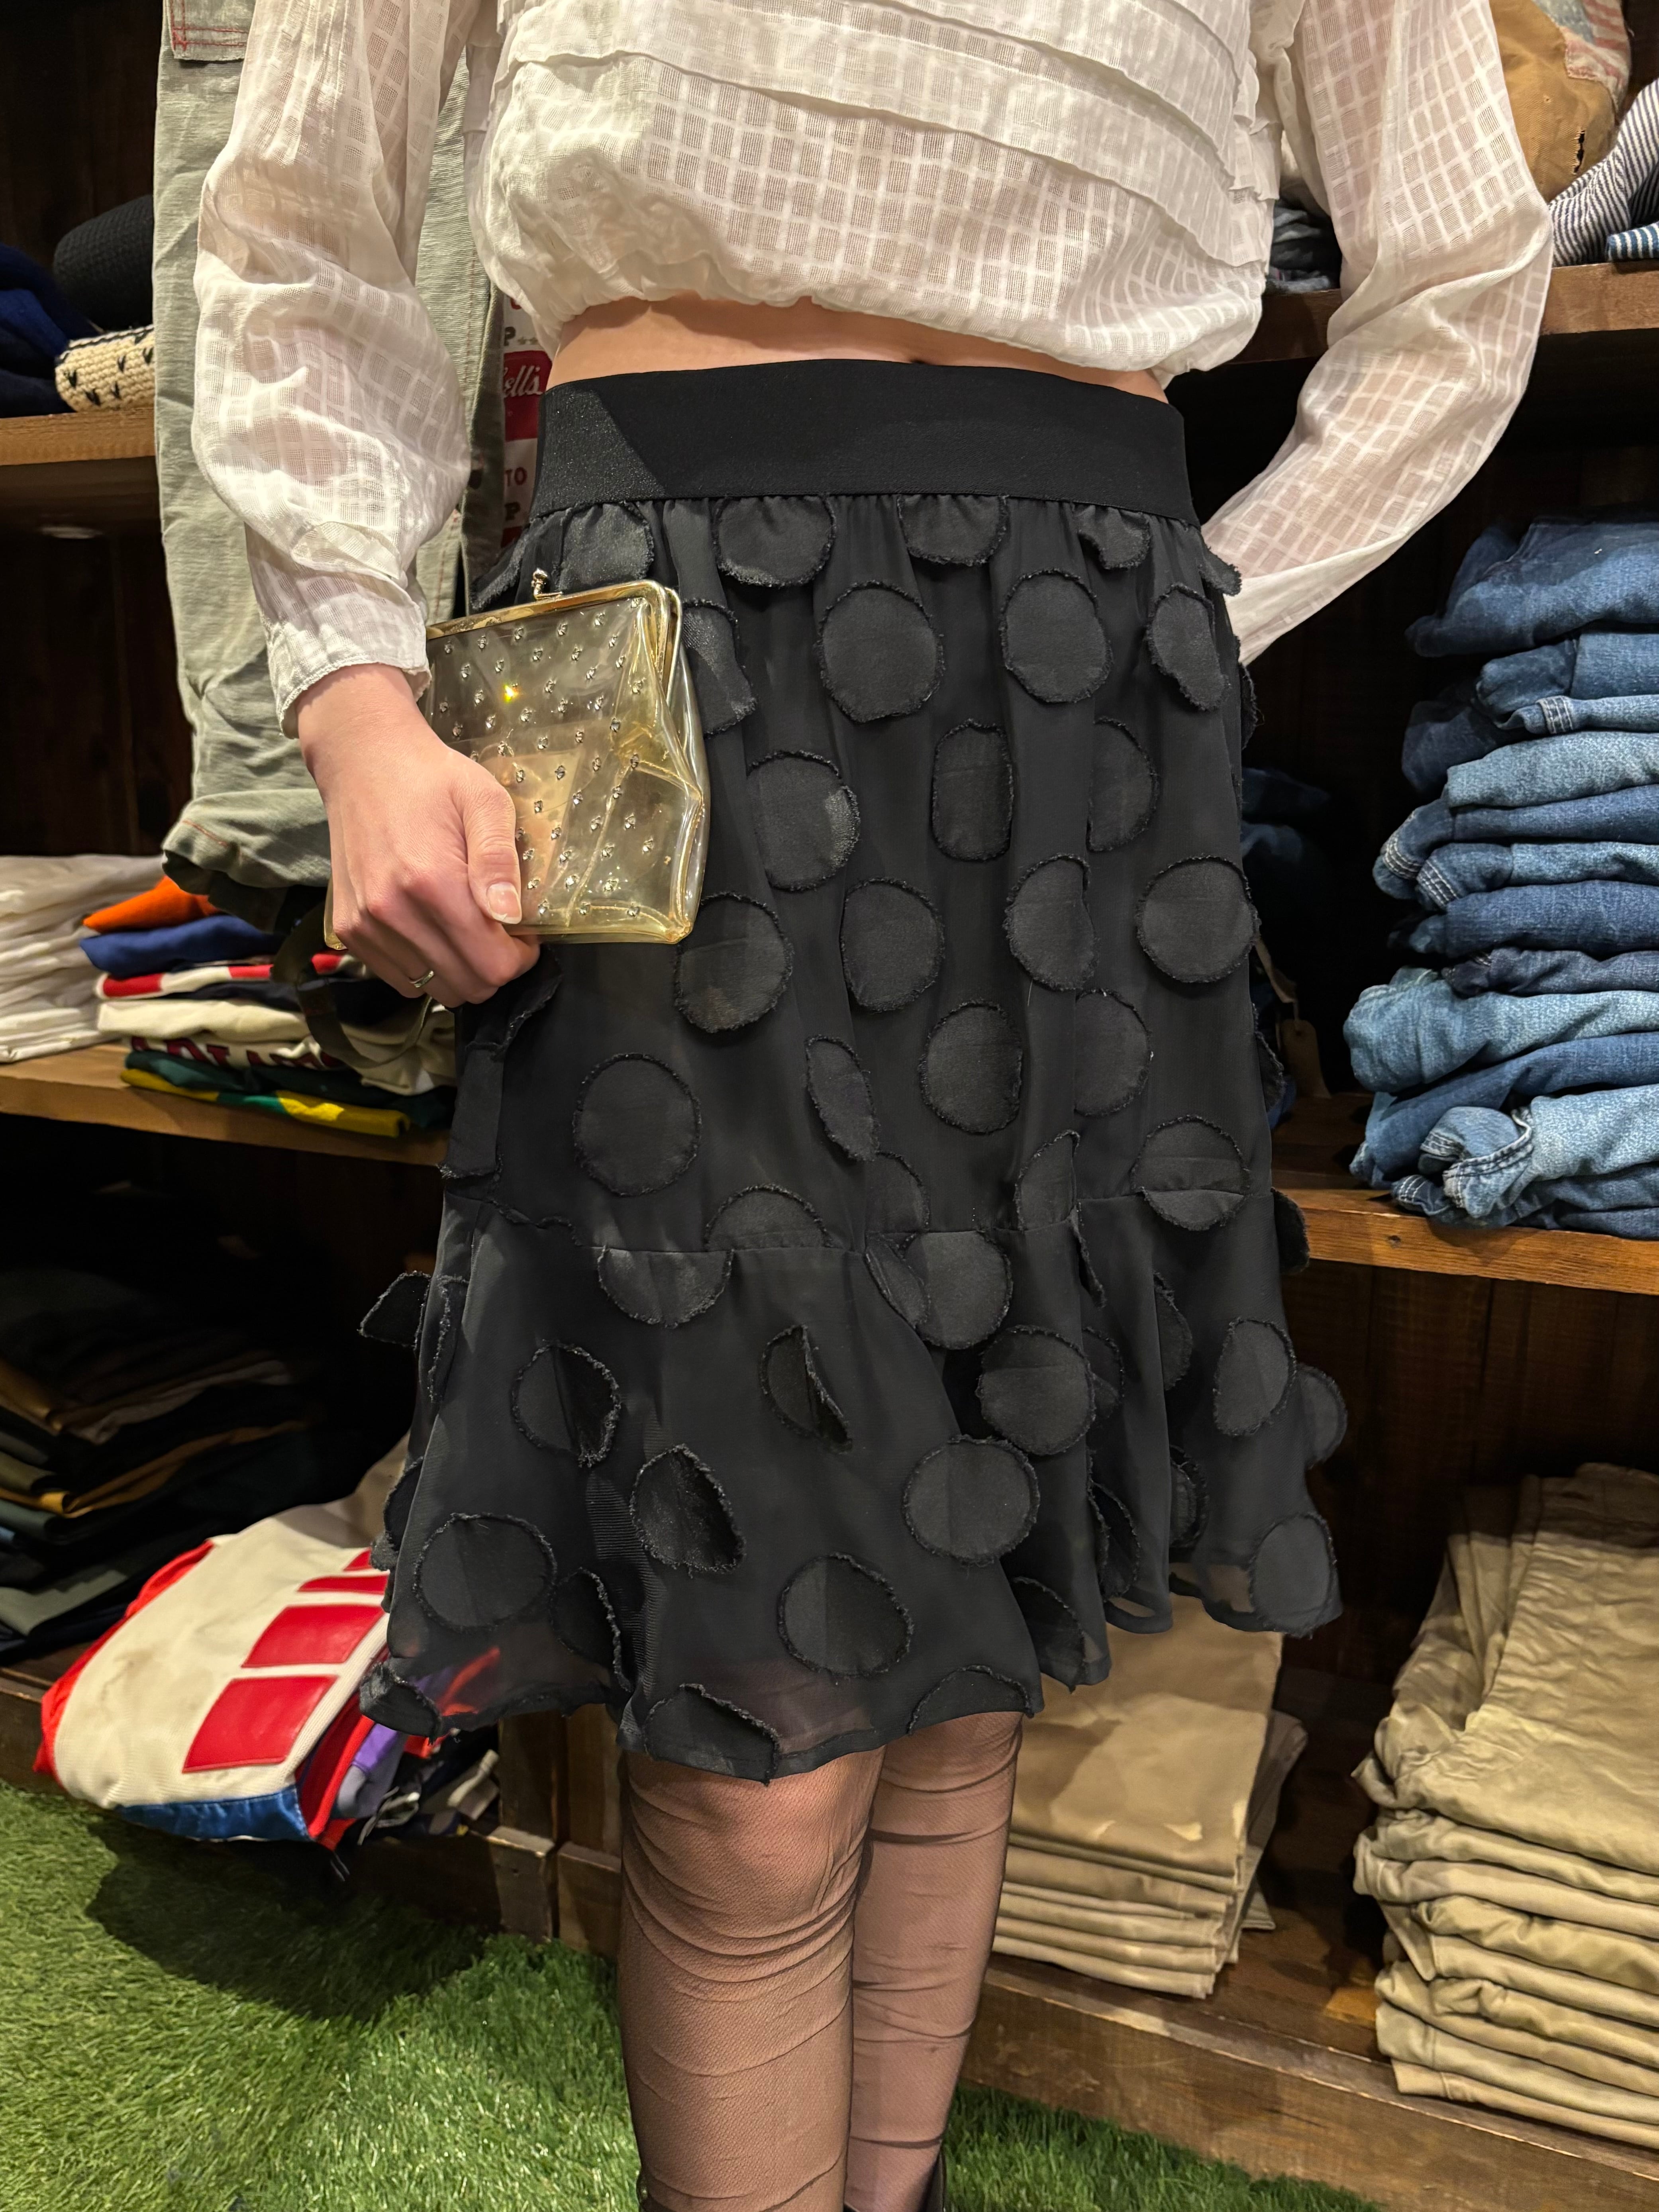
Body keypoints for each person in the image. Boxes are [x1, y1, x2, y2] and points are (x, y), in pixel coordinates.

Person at [190, 7, 1551, 2208]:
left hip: (1086, 714)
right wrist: (351, 686)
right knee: (759, 1749)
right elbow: (299, 222)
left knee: (961, 1663)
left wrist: (1192, 614)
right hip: (678, 660)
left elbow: (1466, 270)